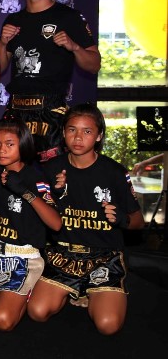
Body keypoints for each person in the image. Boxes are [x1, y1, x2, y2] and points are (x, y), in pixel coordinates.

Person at [28, 103, 144, 335]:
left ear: (99, 136)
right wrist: (53, 196)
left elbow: (139, 221)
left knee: (107, 325)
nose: (78, 137)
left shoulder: (114, 172)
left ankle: (93, 293)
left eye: (87, 131)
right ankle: (76, 290)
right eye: (72, 130)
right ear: (63, 133)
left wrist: (122, 219)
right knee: (37, 312)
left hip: (104, 257)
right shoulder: (51, 169)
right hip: (63, 254)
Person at [0, 0, 101, 163]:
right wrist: (2, 44)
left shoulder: (69, 17)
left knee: (52, 176)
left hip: (50, 110)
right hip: (16, 110)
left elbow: (94, 64)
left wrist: (74, 47)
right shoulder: (13, 20)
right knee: (14, 175)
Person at [0, 117, 62, 332]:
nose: (1, 150)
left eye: (9, 144)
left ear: (23, 144)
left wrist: (25, 192)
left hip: (23, 258)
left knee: (1, 320)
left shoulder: (35, 178)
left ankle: (28, 291)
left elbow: (56, 224)